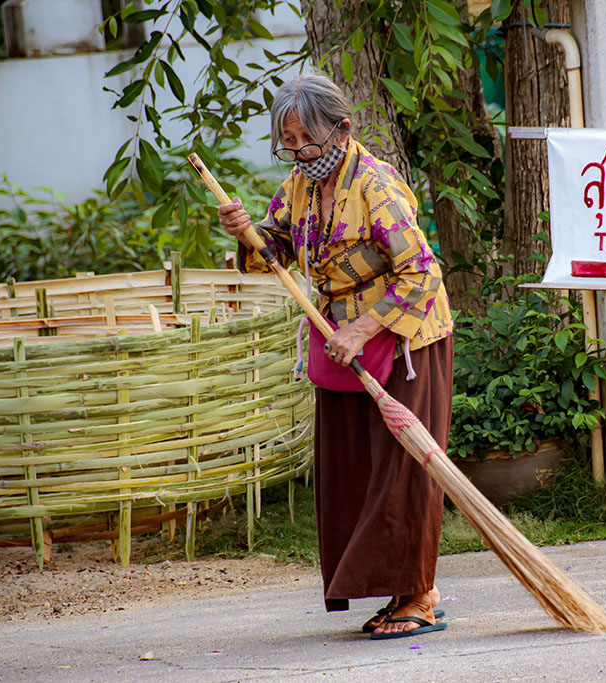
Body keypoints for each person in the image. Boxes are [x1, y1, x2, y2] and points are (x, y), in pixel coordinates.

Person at [217, 72, 454, 639]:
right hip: (341, 341)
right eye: (287, 143)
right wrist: (246, 232)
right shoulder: (299, 185)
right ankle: (402, 589)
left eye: (306, 142)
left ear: (343, 129)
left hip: (403, 340)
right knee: (353, 468)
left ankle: (417, 597)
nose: (297, 154)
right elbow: (273, 251)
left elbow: (422, 272)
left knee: (402, 469)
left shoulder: (376, 185)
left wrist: (364, 329)